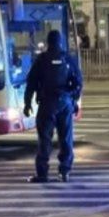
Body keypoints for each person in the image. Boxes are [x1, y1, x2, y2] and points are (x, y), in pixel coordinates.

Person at [23, 30, 83, 183]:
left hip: (47, 104)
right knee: (66, 139)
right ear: (60, 41)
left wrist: (27, 103)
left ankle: (42, 173)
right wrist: (74, 101)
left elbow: (31, 83)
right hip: (65, 103)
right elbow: (78, 82)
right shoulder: (68, 59)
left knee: (45, 139)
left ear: (48, 42)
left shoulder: (42, 59)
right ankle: (64, 171)